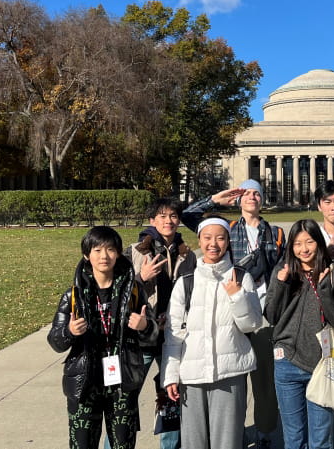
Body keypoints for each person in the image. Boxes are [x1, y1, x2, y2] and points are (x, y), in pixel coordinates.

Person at [180, 179, 286, 448]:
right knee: (229, 382)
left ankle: (263, 432)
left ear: (262, 200)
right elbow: (188, 215)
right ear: (239, 199)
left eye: (257, 194)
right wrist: (215, 200)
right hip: (227, 314)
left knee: (263, 382)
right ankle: (231, 434)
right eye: (247, 193)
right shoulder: (226, 230)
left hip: (261, 315)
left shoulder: (275, 233)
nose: (252, 197)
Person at [48, 226, 156, 449]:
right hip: (85, 381)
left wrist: (144, 326)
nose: (104, 256)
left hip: (122, 380)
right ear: (87, 255)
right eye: (97, 250)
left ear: (118, 253)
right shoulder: (73, 296)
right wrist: (69, 331)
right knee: (82, 444)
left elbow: (154, 335)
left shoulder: (133, 291)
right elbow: (55, 341)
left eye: (110, 249)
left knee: (123, 444)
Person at [161, 217, 262, 449]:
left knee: (228, 442)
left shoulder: (241, 277)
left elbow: (252, 324)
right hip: (192, 375)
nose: (213, 243)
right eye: (207, 238)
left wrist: (237, 296)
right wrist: (170, 376)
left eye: (220, 237)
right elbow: (173, 334)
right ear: (199, 240)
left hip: (230, 373)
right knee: (193, 442)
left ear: (228, 241)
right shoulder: (186, 283)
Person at [264, 219, 334, 449]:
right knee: (294, 436)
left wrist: (325, 290)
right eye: (297, 243)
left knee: (321, 438)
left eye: (310, 241)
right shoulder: (282, 271)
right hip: (287, 363)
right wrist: (281, 285)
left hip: (322, 363)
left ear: (319, 243)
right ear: (290, 247)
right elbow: (271, 316)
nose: (304, 249)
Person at [123, 198, 196, 449]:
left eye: (173, 216)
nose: (169, 221)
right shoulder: (136, 251)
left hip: (173, 336)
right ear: (152, 220)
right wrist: (140, 278)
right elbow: (117, 292)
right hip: (142, 335)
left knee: (171, 399)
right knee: (125, 400)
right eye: (162, 216)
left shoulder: (187, 255)